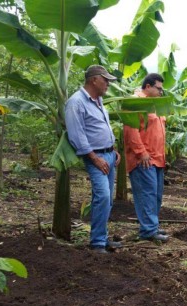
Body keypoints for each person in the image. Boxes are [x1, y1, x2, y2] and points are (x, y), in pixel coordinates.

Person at [65, 65, 122, 254]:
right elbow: (77, 134)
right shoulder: (76, 102)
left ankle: (102, 238)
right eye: (105, 80)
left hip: (108, 155)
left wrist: (113, 149)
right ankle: (97, 243)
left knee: (107, 200)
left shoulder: (98, 101)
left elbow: (102, 127)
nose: (107, 84)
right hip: (95, 156)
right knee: (103, 196)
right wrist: (94, 158)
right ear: (93, 80)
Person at [124, 73, 169, 242]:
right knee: (146, 193)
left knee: (155, 194)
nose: (160, 92)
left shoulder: (155, 105)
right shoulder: (136, 102)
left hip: (157, 158)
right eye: (158, 88)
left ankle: (152, 226)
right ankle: (148, 231)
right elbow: (130, 129)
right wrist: (141, 152)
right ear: (148, 86)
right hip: (143, 158)